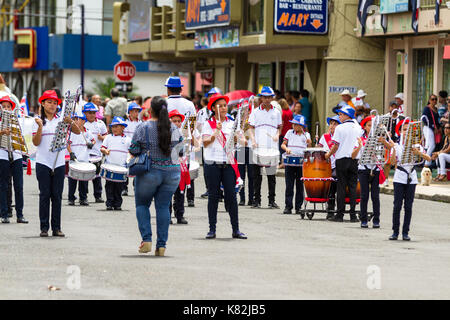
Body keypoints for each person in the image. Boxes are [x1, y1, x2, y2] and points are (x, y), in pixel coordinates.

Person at [129, 96, 182, 256]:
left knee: (142, 205)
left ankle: (147, 240)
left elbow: (134, 149)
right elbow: (180, 152)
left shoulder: (143, 127)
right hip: (172, 173)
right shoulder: (174, 128)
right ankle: (161, 245)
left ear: (150, 110)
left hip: (149, 171)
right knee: (163, 207)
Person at [32, 90, 81, 237]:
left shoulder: (61, 119)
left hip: (59, 162)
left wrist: (70, 121)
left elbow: (78, 132)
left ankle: (57, 227)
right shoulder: (37, 120)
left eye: (55, 103)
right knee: (45, 194)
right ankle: (44, 227)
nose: (52, 105)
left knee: (57, 195)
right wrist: (40, 127)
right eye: (49, 102)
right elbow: (36, 142)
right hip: (43, 162)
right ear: (43, 103)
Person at [201, 93, 247, 239]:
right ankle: (212, 229)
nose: (223, 108)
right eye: (220, 106)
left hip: (228, 163)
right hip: (212, 163)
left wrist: (238, 138)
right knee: (213, 197)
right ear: (213, 108)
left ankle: (236, 229)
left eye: (225, 105)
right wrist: (216, 132)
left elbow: (241, 141)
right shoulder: (208, 124)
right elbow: (205, 142)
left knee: (231, 197)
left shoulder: (232, 122)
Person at [389, 120, 431, 241]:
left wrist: (418, 153)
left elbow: (428, 158)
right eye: (404, 129)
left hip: (411, 177)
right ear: (401, 131)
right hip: (399, 177)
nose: (406, 131)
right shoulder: (397, 146)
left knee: (408, 206)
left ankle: (405, 232)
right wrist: (393, 150)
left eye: (408, 129)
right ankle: (395, 232)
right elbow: (392, 163)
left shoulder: (417, 145)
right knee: (397, 206)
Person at [352, 116, 390, 229]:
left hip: (376, 169)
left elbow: (390, 147)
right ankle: (363, 220)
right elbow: (353, 155)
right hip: (364, 169)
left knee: (375, 196)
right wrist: (359, 146)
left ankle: (376, 220)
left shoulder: (379, 137)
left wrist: (384, 141)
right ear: (364, 127)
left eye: (373, 125)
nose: (371, 127)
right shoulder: (360, 139)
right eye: (369, 125)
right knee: (364, 195)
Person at [248, 86, 282, 209]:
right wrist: (253, 140)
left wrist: (277, 135)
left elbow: (279, 127)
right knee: (257, 176)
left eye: (269, 97)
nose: (267, 99)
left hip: (271, 147)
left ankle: (271, 200)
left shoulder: (276, 112)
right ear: (261, 98)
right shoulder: (255, 112)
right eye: (265, 97)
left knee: (271, 176)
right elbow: (251, 127)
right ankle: (256, 200)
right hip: (258, 146)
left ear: (272, 98)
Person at [325, 105, 360, 223]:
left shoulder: (340, 128)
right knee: (353, 187)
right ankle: (353, 215)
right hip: (354, 159)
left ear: (347, 116)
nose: (339, 116)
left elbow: (335, 145)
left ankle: (339, 214)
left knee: (341, 187)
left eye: (341, 114)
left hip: (341, 159)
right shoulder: (358, 127)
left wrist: (328, 155)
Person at [0, 95, 28, 224]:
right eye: (3, 106)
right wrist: (2, 133)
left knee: (19, 186)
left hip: (16, 154)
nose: (6, 108)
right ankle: (4, 214)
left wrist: (17, 135)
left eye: (8, 106)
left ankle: (20, 214)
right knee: (3, 185)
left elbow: (24, 140)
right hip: (2, 154)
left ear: (12, 108)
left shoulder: (19, 121)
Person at [281, 115, 311, 214]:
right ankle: (288, 206)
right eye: (293, 124)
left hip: (301, 163)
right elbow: (283, 144)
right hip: (290, 162)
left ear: (301, 126)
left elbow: (309, 149)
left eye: (296, 124)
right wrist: (287, 149)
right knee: (289, 185)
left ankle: (298, 207)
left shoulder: (306, 135)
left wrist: (309, 143)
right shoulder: (289, 133)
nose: (294, 126)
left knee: (299, 186)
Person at [100, 117, 131, 211]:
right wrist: (105, 150)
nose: (114, 129)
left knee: (119, 186)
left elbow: (131, 152)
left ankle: (117, 203)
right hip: (110, 166)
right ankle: (109, 203)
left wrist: (129, 160)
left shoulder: (128, 140)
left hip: (121, 167)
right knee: (109, 185)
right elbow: (102, 148)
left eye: (116, 126)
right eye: (113, 127)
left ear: (122, 128)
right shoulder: (108, 138)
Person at [67, 112, 95, 206]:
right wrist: (71, 152)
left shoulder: (87, 132)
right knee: (72, 180)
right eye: (74, 119)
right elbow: (68, 144)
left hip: (85, 159)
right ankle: (71, 198)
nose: (75, 121)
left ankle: (83, 198)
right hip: (75, 159)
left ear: (83, 121)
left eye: (77, 119)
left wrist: (92, 144)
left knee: (83, 181)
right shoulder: (71, 132)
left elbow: (93, 140)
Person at [83, 103, 107, 203]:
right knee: (84, 176)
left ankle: (98, 196)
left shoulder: (100, 123)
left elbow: (107, 136)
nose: (92, 115)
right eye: (90, 113)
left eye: (94, 113)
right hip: (84, 154)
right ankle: (83, 197)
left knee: (97, 176)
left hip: (97, 153)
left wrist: (102, 138)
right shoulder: (82, 123)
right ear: (85, 113)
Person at [318, 115, 341, 219]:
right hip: (327, 166)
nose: (332, 126)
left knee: (337, 187)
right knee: (330, 189)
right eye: (331, 123)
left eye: (335, 124)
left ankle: (339, 210)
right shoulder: (325, 137)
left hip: (339, 165)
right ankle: (330, 210)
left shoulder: (341, 136)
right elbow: (319, 150)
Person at [168, 109, 189, 224]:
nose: (176, 123)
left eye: (178, 121)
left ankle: (180, 215)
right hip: (168, 165)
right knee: (168, 191)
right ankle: (168, 215)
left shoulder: (183, 133)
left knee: (181, 190)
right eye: (174, 121)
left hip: (180, 164)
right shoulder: (165, 133)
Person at [422, 94, 441, 167]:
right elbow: (424, 119)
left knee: (431, 145)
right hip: (428, 128)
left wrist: (438, 127)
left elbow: (437, 120)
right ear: (429, 100)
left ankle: (428, 162)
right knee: (432, 145)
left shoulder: (436, 109)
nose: (434, 101)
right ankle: (426, 163)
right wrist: (433, 127)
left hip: (434, 129)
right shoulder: (427, 108)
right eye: (432, 99)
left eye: (436, 99)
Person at [278, 99, 294, 168]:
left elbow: (282, 123)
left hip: (283, 132)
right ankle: (286, 161)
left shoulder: (283, 112)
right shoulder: (290, 112)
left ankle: (282, 163)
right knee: (287, 147)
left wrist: (279, 132)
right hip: (289, 131)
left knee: (281, 148)